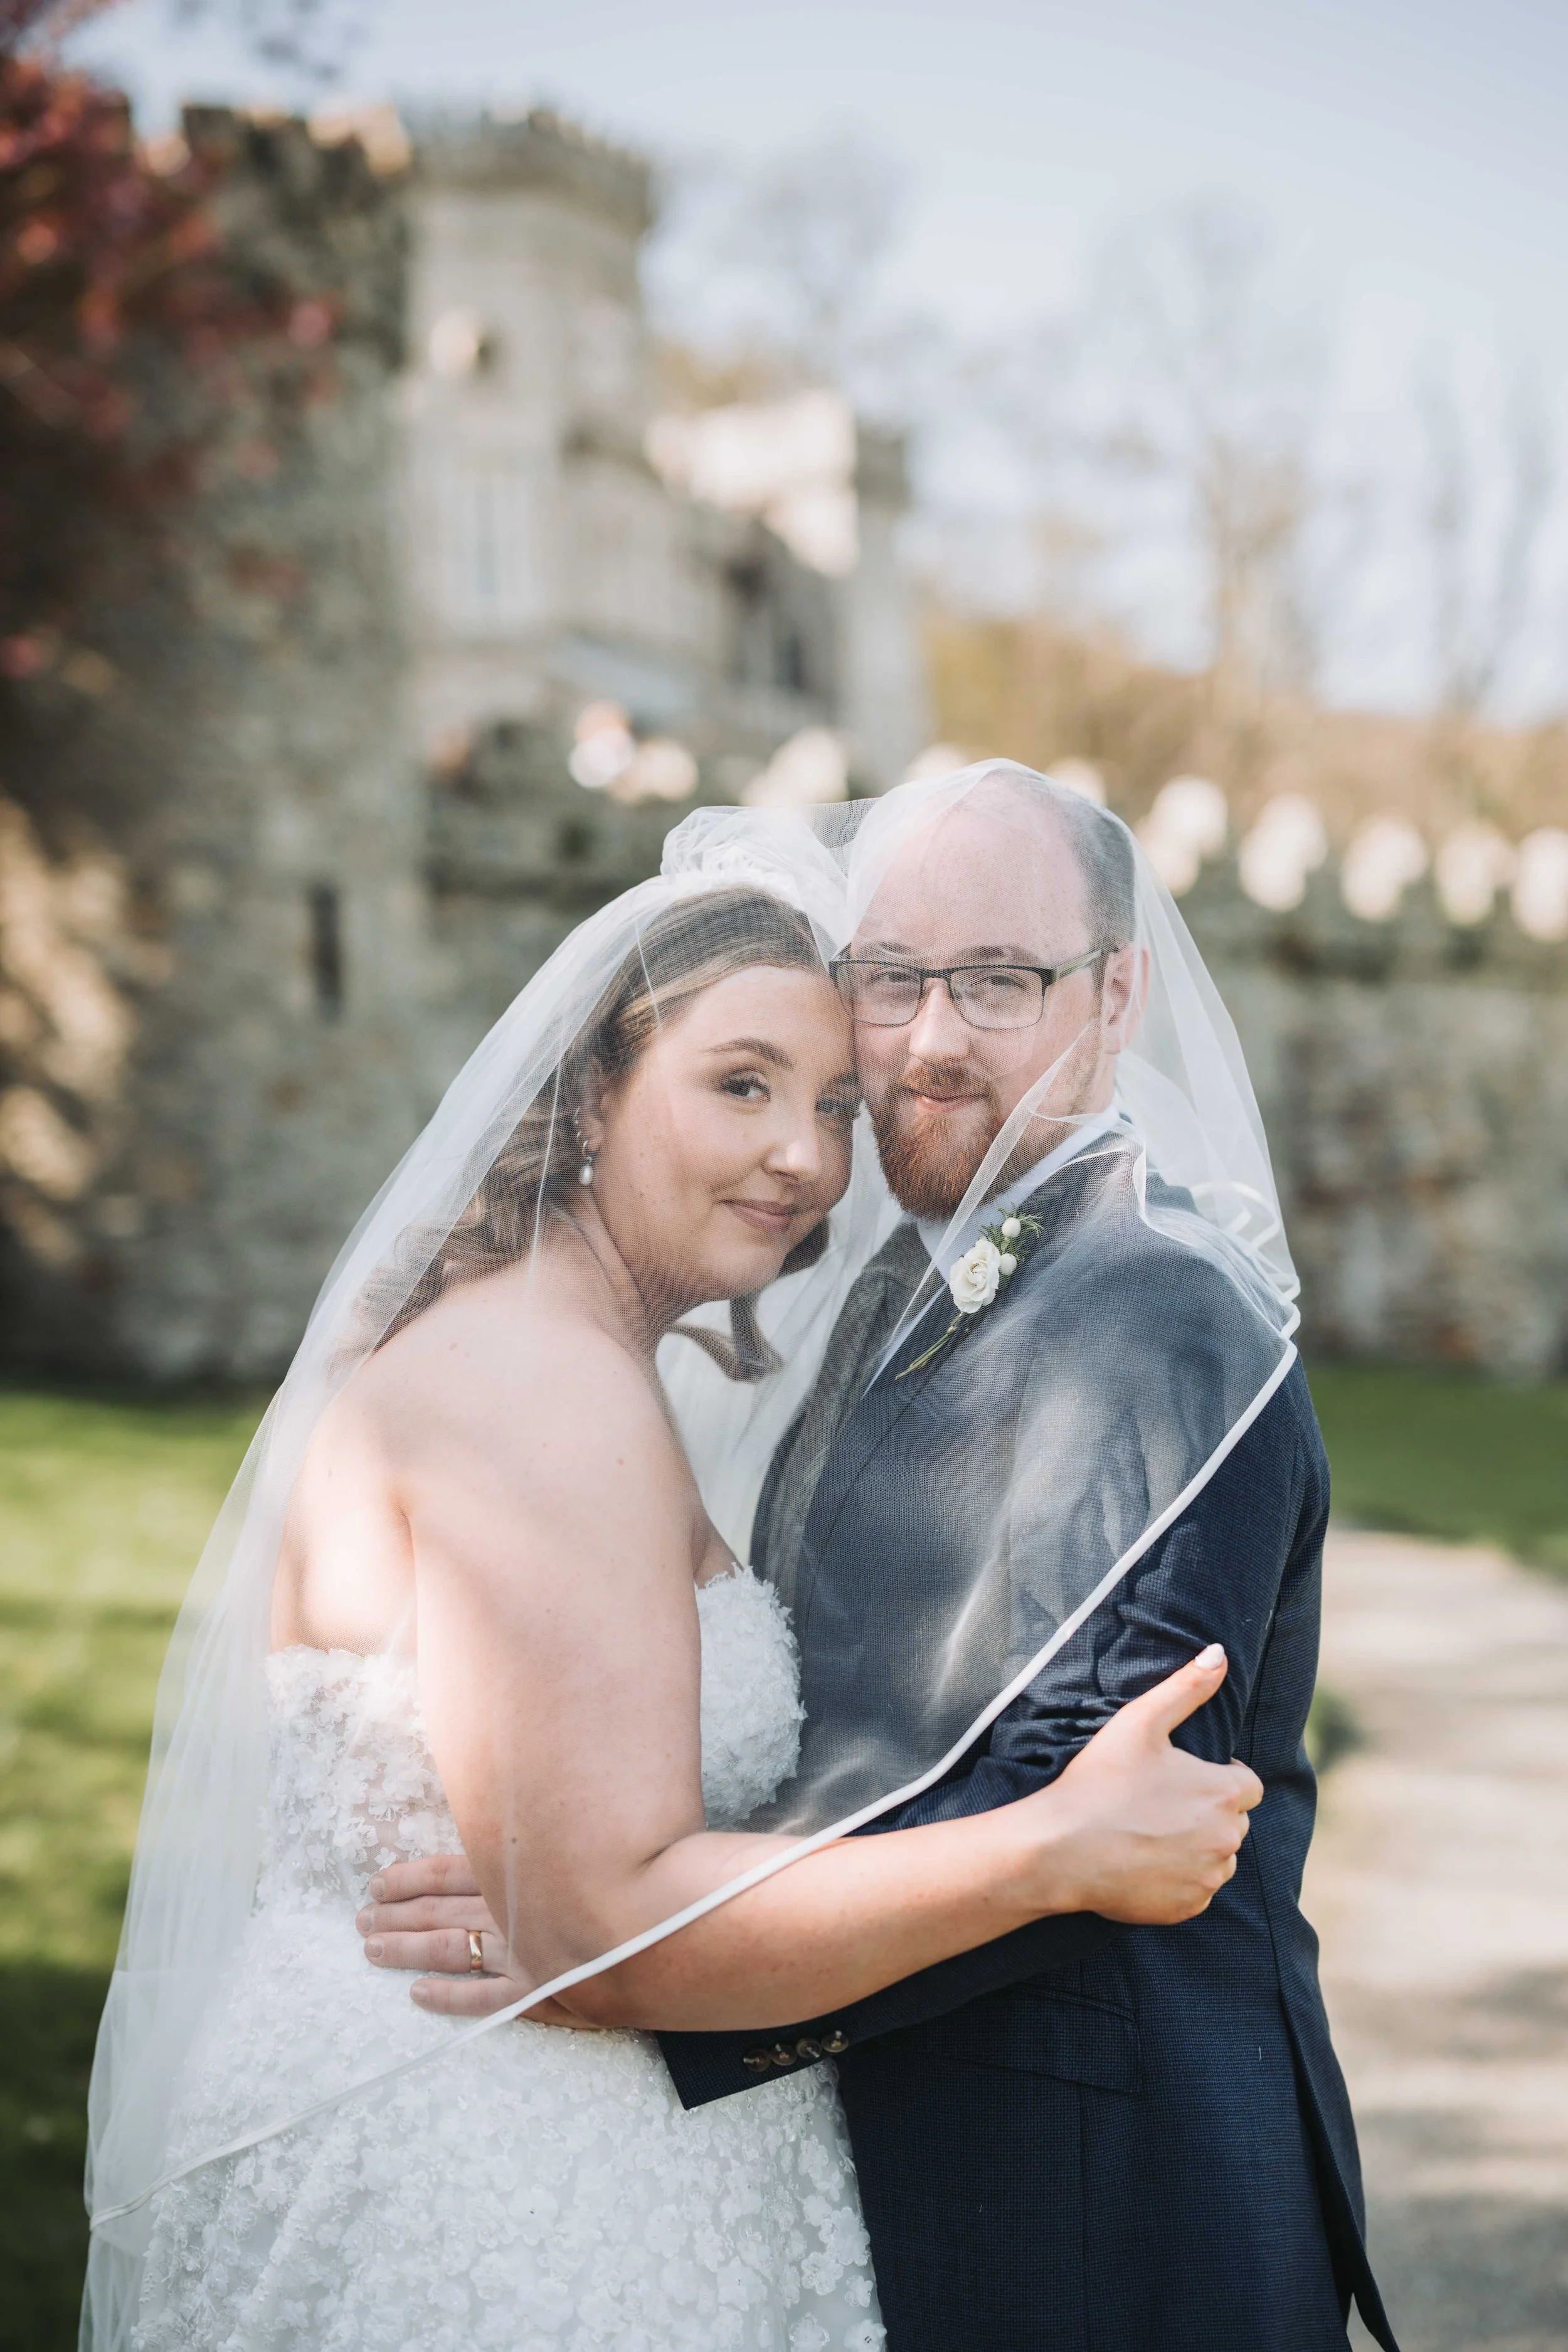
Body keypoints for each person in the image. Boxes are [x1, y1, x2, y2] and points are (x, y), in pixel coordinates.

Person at [84, 870, 1261, 2352]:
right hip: (508, 2193)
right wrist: (1047, 1851)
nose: (799, 1158)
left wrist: (594, 1896)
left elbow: (578, 1881)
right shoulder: (542, 1390)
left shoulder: (537, 1341)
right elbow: (602, 1932)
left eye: (835, 1105)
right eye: (739, 1084)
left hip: (464, 2118)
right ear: (591, 1096)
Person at [375, 766, 1399, 2352]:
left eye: (998, 981)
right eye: (893, 978)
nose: (929, 1040)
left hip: (1096, 2201)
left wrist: (613, 1949)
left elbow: (1068, 1816)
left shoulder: (1157, 1314)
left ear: (1116, 994)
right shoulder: (894, 1284)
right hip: (916, 2170)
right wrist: (597, 1852)